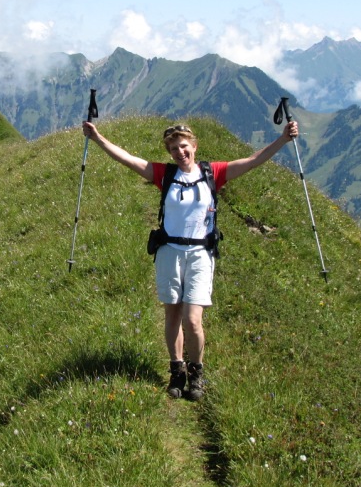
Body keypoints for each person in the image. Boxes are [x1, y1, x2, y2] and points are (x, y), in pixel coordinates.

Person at [81, 118, 299, 400]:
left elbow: (254, 160)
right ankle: (177, 370)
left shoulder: (214, 173)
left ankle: (196, 372)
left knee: (192, 320)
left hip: (200, 254)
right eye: (173, 149)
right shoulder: (164, 174)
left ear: (194, 146)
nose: (179, 152)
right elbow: (128, 159)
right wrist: (98, 139)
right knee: (172, 312)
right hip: (169, 252)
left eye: (183, 146)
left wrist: (283, 140)